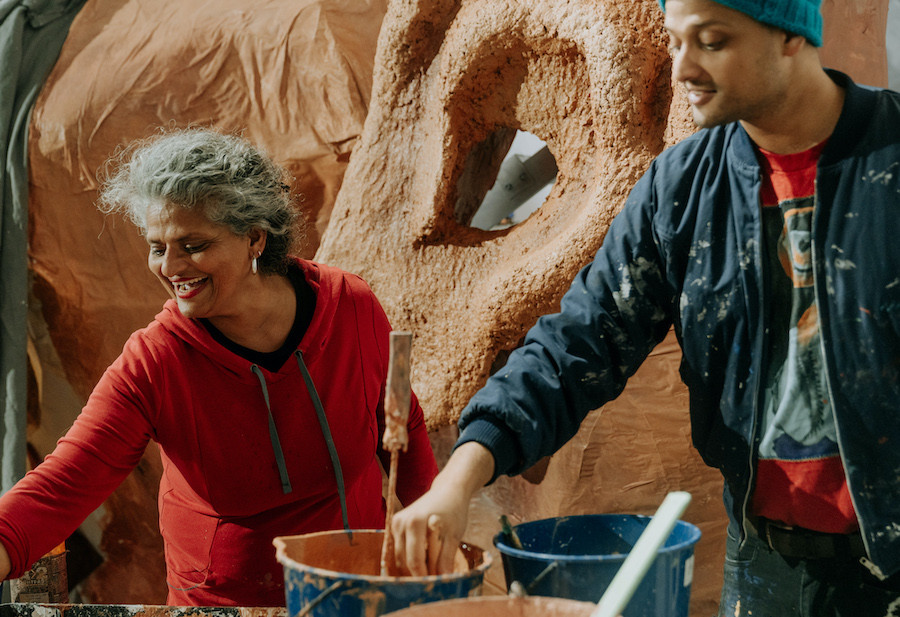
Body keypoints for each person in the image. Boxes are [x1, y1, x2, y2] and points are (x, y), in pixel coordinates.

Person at [391, 0, 900, 614]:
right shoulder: (682, 188)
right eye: (676, 41)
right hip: (767, 563)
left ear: (792, 36)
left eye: (711, 41)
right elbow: (577, 343)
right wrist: (459, 477)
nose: (683, 66)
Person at [0, 128, 438, 606]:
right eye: (156, 246)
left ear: (254, 238)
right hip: (219, 610)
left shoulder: (351, 306)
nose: (169, 266)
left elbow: (401, 426)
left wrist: (435, 538)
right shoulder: (155, 362)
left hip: (354, 593)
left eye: (192, 244)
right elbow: (62, 487)